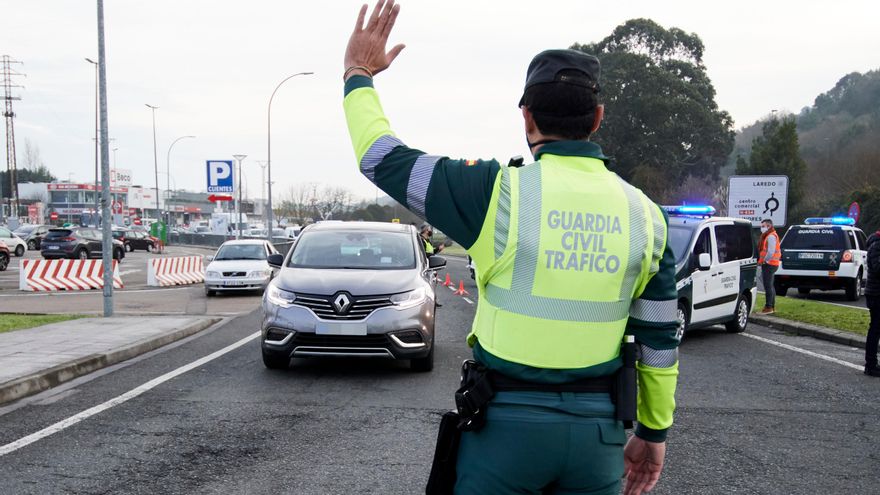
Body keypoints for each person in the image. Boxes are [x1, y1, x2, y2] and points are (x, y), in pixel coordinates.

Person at [341, 2, 679, 494]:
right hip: (598, 437)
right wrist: (653, 431)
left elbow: (380, 157)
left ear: (527, 117)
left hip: (503, 432)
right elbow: (659, 341)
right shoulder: (647, 216)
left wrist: (358, 75)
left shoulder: (493, 193)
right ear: (598, 118)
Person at [864, 230, 880, 377]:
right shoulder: (876, 245)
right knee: (875, 329)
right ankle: (871, 364)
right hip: (876, 293)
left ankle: (872, 363)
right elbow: (877, 268)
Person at [758, 219, 781, 314]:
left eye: (763, 226)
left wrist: (764, 260)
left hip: (769, 264)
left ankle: (768, 307)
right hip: (772, 263)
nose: (761, 228)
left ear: (769, 226)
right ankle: (771, 306)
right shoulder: (770, 235)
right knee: (770, 286)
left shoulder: (771, 236)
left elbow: (770, 252)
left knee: (768, 286)